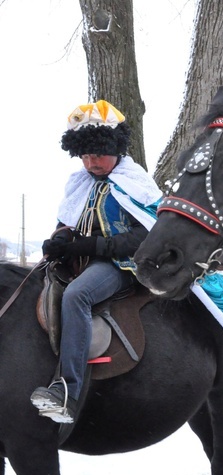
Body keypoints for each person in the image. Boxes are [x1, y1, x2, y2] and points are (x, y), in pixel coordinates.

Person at [30, 100, 163, 424]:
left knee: (78, 295)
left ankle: (67, 392)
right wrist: (60, 238)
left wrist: (96, 246)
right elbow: (70, 220)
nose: (91, 162)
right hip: (82, 261)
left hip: (124, 265)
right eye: (85, 156)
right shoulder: (81, 182)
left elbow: (146, 234)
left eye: (97, 154)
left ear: (115, 147)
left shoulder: (136, 182)